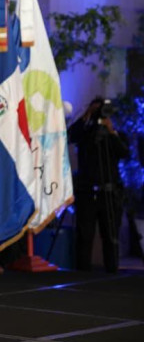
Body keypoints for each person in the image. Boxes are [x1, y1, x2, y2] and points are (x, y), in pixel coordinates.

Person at [68, 97, 129, 273]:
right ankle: (82, 272)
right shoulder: (85, 133)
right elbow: (70, 136)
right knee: (84, 235)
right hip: (87, 192)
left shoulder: (115, 135)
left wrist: (111, 131)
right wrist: (86, 116)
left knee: (110, 235)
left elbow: (124, 152)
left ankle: (112, 270)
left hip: (109, 193)